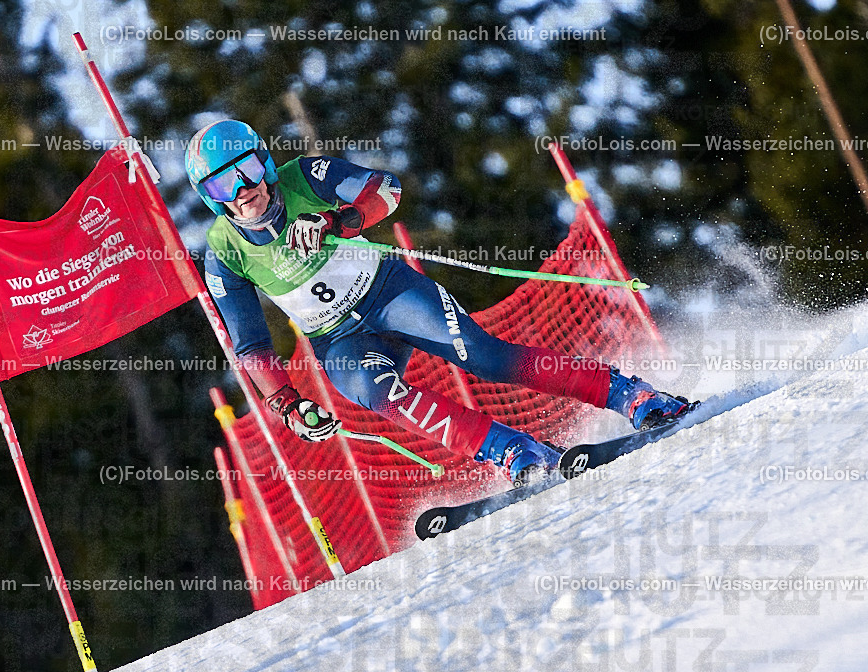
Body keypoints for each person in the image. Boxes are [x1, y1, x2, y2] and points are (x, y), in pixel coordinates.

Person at [187, 119, 692, 483]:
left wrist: (336, 220)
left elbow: (386, 189)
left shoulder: (305, 177)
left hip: (389, 291)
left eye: (248, 168)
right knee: (374, 391)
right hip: (336, 337)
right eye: (223, 182)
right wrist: (287, 404)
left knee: (489, 358)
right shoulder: (223, 253)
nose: (243, 188)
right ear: (210, 195)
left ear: (265, 164)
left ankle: (631, 395)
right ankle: (513, 452)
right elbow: (250, 344)